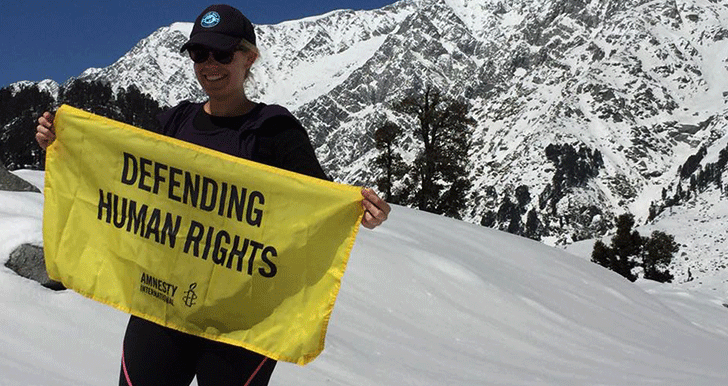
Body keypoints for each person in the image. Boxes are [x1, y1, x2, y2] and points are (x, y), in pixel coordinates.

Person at [36, 4, 391, 386]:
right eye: (199, 53)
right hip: (163, 303)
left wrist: (362, 211)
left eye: (222, 53)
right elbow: (121, 172)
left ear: (249, 58)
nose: (210, 64)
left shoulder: (274, 130)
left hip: (242, 318)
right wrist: (66, 144)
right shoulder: (173, 122)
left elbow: (321, 202)